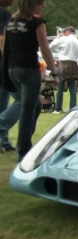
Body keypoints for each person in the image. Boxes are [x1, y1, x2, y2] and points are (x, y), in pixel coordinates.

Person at [0, 0, 58, 160]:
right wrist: (54, 73)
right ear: (34, 4)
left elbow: (6, 48)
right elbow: (45, 48)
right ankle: (23, 150)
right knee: (27, 110)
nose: (44, 6)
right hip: (29, 70)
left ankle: (25, 142)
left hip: (13, 69)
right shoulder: (37, 22)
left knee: (36, 105)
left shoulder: (11, 21)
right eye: (42, 3)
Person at [49, 26, 78, 114]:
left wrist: (58, 37)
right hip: (74, 64)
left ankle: (58, 108)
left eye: (64, 32)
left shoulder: (64, 39)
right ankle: (72, 108)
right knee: (72, 87)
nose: (63, 33)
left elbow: (51, 46)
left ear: (68, 31)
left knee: (60, 86)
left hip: (63, 64)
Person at [0, 0, 15, 152]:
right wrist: (7, 59)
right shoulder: (2, 12)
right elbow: (2, 38)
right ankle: (2, 140)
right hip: (2, 63)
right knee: (4, 101)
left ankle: (3, 141)